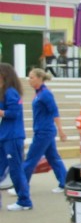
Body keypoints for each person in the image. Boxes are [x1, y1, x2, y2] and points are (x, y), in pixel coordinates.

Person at [8, 68, 67, 196]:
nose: (29, 80)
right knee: (53, 158)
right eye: (29, 77)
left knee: (30, 159)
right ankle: (65, 183)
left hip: (44, 132)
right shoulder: (38, 93)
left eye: (32, 77)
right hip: (43, 130)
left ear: (40, 79)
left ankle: (20, 187)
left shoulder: (45, 94)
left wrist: (61, 130)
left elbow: (54, 112)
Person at [0, 63, 33, 211]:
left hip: (12, 137)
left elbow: (14, 113)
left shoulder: (11, 92)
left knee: (15, 169)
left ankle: (24, 201)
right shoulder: (4, 92)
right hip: (5, 136)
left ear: (4, 76)